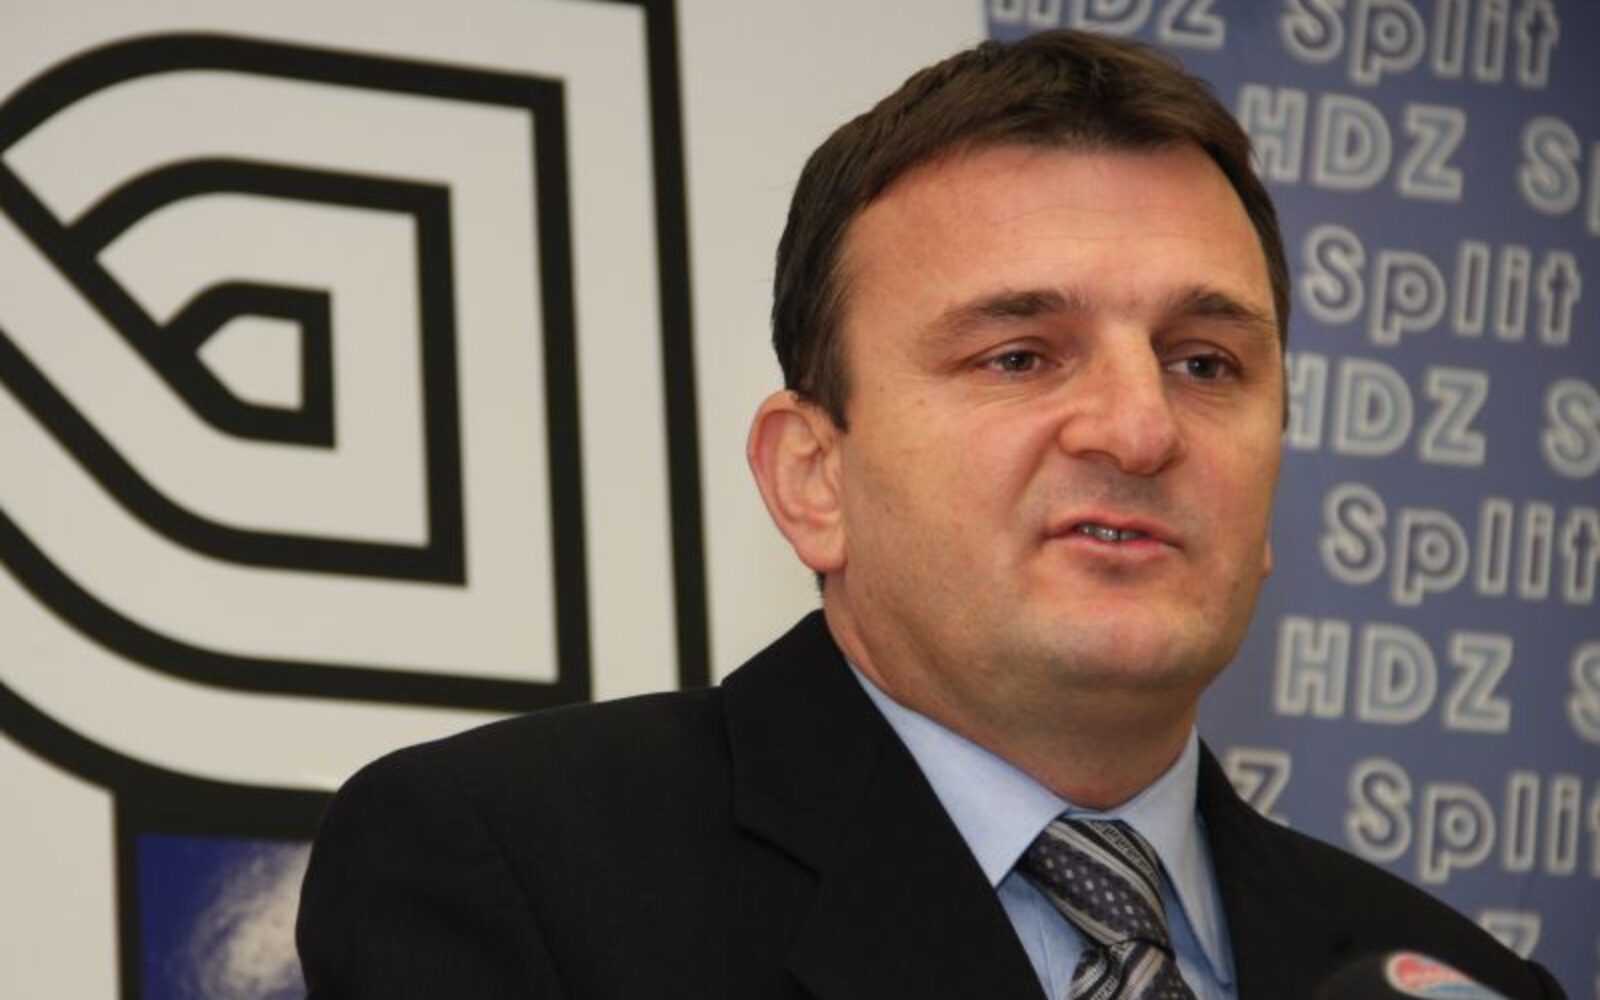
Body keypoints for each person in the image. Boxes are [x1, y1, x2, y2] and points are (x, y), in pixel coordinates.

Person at [296, 29, 1565, 1000]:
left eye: (1203, 362)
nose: (1140, 431)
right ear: (813, 478)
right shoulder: (510, 874)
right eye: (1019, 355)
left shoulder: (1450, 977)